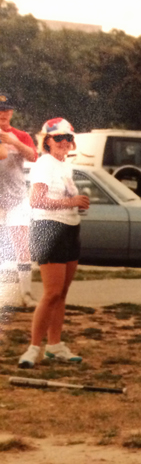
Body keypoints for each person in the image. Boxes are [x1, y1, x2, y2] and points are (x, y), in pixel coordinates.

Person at [18, 118, 89, 368]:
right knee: (51, 294)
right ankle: (33, 348)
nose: (64, 142)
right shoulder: (44, 164)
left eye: (68, 137)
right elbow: (36, 200)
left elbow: (65, 199)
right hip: (48, 228)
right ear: (46, 141)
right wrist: (72, 202)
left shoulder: (65, 166)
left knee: (62, 294)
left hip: (70, 228)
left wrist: (77, 204)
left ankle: (55, 345)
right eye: (58, 138)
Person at [0, 92, 40, 307]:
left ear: (12, 112)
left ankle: (26, 294)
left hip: (16, 199)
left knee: (22, 247)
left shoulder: (21, 135)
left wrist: (12, 141)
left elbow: (34, 157)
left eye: (6, 110)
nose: (3, 114)